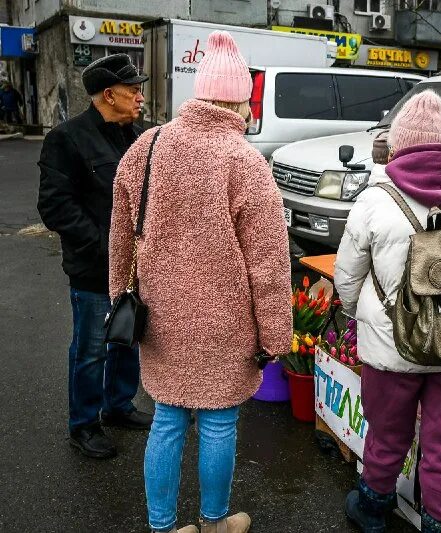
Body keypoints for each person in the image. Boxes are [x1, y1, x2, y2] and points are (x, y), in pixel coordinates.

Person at [109, 31, 292, 533]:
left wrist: (117, 295)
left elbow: (120, 233)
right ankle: (213, 523)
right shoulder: (245, 161)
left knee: (167, 420)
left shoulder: (146, 147)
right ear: (237, 98)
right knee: (218, 423)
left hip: (160, 317)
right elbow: (270, 263)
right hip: (225, 324)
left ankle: (163, 527)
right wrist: (276, 334)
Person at [335, 91, 441, 533]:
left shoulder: (374, 200)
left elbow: (347, 277)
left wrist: (363, 317)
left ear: (399, 145)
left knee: (387, 432)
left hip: (392, 349)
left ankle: (372, 511)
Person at [37, 53, 152, 460]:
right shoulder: (66, 138)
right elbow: (55, 207)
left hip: (136, 267)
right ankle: (84, 424)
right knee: (91, 349)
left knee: (128, 337)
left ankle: (118, 405)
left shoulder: (139, 138)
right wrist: (106, 245)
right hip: (94, 268)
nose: (140, 97)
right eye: (133, 90)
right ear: (108, 94)